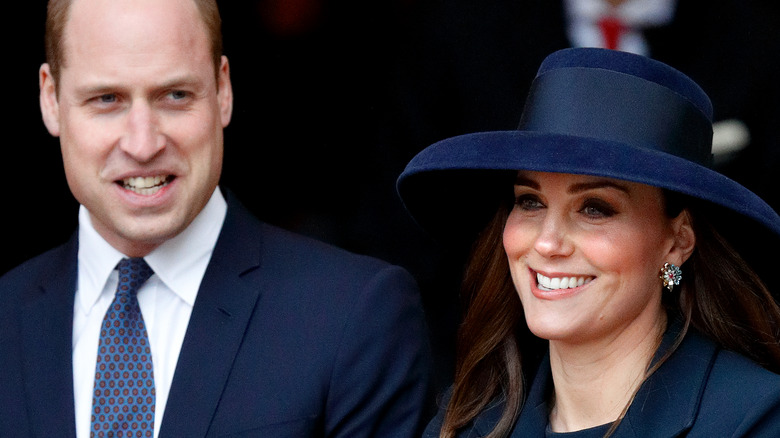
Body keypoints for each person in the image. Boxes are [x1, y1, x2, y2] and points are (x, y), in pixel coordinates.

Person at [0, 0, 432, 437]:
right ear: (50, 99)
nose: (143, 143)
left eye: (175, 96)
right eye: (107, 99)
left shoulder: (353, 316)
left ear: (223, 91)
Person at [397, 47, 780, 437]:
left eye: (594, 209)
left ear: (677, 242)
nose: (548, 243)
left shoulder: (755, 419)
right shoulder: (466, 423)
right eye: (530, 201)